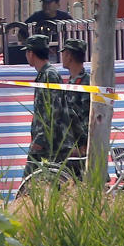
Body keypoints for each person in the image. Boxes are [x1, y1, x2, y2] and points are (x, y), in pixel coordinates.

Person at [22, 34, 67, 175]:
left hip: (48, 143)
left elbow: (53, 110)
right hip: (45, 141)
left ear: (31, 53)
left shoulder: (49, 75)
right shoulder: (44, 75)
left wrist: (40, 140)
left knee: (30, 182)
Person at [61, 37, 90, 157]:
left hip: (82, 147)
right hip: (71, 144)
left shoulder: (86, 82)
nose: (62, 57)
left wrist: (84, 145)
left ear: (69, 56)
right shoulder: (72, 82)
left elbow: (88, 116)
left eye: (63, 53)